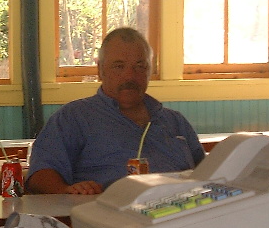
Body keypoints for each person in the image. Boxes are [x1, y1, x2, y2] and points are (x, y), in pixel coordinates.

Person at [26, 27, 205, 195]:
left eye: (140, 66)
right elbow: (40, 175)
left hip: (182, 211)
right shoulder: (74, 118)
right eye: (119, 66)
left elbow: (208, 173)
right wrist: (67, 190)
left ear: (149, 71)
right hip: (107, 213)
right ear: (100, 70)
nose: (130, 76)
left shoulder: (175, 122)